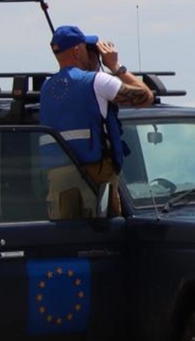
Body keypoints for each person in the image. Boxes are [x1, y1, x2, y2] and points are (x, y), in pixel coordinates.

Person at [39, 25, 154, 218]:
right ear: (77, 50)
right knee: (101, 238)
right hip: (94, 175)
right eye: (87, 49)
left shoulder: (46, 88)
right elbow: (146, 97)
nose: (93, 54)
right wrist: (116, 66)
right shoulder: (96, 81)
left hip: (56, 177)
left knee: (66, 238)